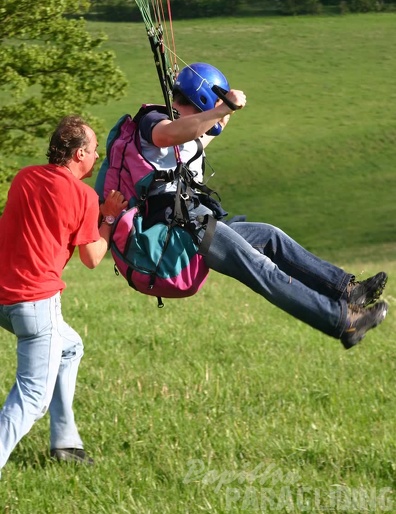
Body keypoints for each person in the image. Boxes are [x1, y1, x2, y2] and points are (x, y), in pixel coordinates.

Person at [129, 62, 388, 348]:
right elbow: (167, 135)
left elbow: (187, 144)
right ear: (203, 99)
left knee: (270, 236)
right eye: (214, 103)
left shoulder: (181, 128)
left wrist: (218, 120)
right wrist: (222, 109)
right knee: (260, 267)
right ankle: (344, 322)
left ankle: (346, 290)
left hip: (192, 219)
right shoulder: (154, 118)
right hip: (177, 228)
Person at [0, 115, 127, 475]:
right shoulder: (84, 197)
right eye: (95, 150)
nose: (98, 157)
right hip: (36, 304)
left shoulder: (25, 177)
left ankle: (65, 443)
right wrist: (110, 217)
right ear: (80, 153)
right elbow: (92, 258)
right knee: (30, 399)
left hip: (3, 299)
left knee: (70, 347)